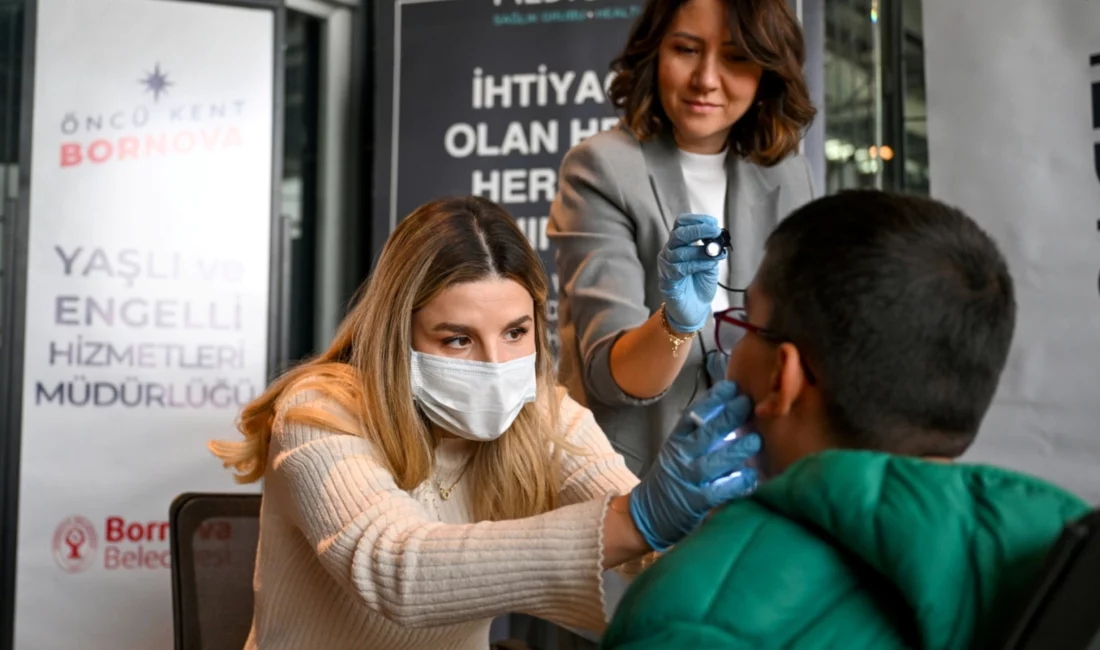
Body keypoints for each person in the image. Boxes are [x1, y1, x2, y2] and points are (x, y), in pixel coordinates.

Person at [208, 196, 761, 650]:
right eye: (458, 339)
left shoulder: (539, 411)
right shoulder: (320, 411)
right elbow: (398, 570)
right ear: (396, 333)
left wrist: (716, 526)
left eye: (515, 333)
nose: (497, 367)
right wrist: (638, 518)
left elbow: (650, 548)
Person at [597, 190, 1092, 650]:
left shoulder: (690, 614)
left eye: (746, 322)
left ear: (783, 377)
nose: (735, 347)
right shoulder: (1064, 549)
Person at [548, 0, 817, 476]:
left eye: (736, 57)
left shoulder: (787, 170)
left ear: (767, 70)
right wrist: (675, 323)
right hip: (639, 471)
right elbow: (611, 379)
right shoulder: (602, 168)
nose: (706, 79)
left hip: (761, 467)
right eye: (687, 50)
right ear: (654, 55)